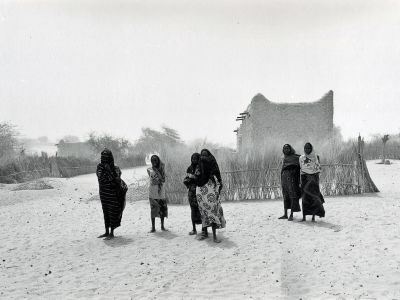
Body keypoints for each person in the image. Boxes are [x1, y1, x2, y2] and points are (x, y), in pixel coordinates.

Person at [194, 149, 226, 243]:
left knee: (212, 212)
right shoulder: (199, 167)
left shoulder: (213, 168)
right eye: (202, 155)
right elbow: (196, 178)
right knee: (204, 213)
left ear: (210, 157)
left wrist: (217, 188)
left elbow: (219, 182)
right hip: (200, 192)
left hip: (210, 191)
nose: (203, 157)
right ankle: (205, 233)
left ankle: (215, 236)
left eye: (205, 155)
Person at [96, 149, 127, 240]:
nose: (104, 158)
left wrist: (110, 171)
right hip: (104, 193)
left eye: (106, 156)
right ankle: (106, 231)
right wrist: (110, 176)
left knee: (112, 211)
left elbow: (117, 178)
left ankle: (112, 233)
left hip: (113, 193)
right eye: (102, 156)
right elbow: (101, 177)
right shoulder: (100, 167)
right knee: (105, 211)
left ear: (110, 157)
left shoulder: (115, 167)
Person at [299, 142, 325, 222]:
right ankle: (304, 217)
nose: (307, 149)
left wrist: (312, 176)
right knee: (305, 198)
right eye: (305, 148)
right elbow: (301, 168)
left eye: (309, 148)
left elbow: (318, 168)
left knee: (313, 197)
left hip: (313, 179)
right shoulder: (301, 158)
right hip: (304, 179)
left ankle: (313, 217)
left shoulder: (316, 157)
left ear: (311, 148)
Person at [279, 144, 301, 221]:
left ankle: (291, 214)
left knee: (292, 196)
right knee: (285, 196)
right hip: (284, 180)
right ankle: (285, 214)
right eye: (284, 148)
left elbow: (303, 160)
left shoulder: (296, 157)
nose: (286, 150)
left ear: (291, 149)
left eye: (288, 148)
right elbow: (283, 168)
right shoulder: (284, 157)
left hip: (292, 179)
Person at [183, 153, 203, 235]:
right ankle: (194, 229)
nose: (194, 160)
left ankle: (203, 229)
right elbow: (187, 179)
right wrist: (188, 181)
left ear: (199, 159)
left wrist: (193, 178)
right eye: (193, 158)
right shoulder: (189, 168)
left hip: (200, 191)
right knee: (193, 210)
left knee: (201, 210)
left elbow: (201, 179)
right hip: (191, 192)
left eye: (196, 158)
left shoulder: (202, 168)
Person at [147, 155, 168, 232]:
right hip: (152, 192)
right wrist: (158, 180)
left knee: (162, 209)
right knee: (153, 209)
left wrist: (157, 171)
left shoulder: (162, 168)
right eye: (152, 160)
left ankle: (162, 226)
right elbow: (152, 181)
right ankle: (153, 228)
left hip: (161, 192)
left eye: (155, 160)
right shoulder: (149, 169)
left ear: (158, 160)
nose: (154, 162)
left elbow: (163, 180)